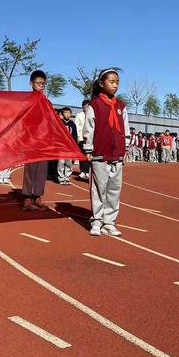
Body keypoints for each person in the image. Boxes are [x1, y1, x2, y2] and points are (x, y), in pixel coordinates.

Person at [83, 68, 129, 237]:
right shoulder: (95, 105)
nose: (115, 85)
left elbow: (125, 129)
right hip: (100, 153)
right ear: (102, 84)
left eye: (117, 82)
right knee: (99, 188)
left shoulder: (121, 107)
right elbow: (89, 128)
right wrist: (88, 148)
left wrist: (125, 149)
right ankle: (97, 221)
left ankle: (109, 222)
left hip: (117, 153)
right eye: (111, 81)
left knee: (114, 189)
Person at [21, 70, 49, 211]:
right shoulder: (26, 100)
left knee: (41, 171)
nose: (41, 86)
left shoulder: (46, 102)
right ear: (31, 84)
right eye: (38, 83)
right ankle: (27, 197)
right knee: (30, 170)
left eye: (43, 84)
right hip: (30, 140)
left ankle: (37, 196)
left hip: (43, 141)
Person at [57, 107, 78, 185]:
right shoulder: (60, 123)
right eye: (65, 113)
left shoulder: (73, 124)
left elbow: (75, 135)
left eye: (69, 113)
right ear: (62, 114)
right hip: (62, 146)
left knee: (68, 162)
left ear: (71, 114)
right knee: (61, 162)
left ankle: (67, 177)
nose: (67, 114)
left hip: (70, 147)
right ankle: (61, 177)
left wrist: (75, 146)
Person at [74, 100, 90, 179]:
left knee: (88, 155)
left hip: (89, 139)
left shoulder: (91, 115)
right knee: (82, 155)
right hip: (81, 138)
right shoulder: (79, 115)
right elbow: (76, 126)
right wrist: (78, 137)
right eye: (85, 105)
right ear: (82, 107)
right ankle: (82, 171)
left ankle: (87, 171)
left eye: (88, 105)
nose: (86, 107)